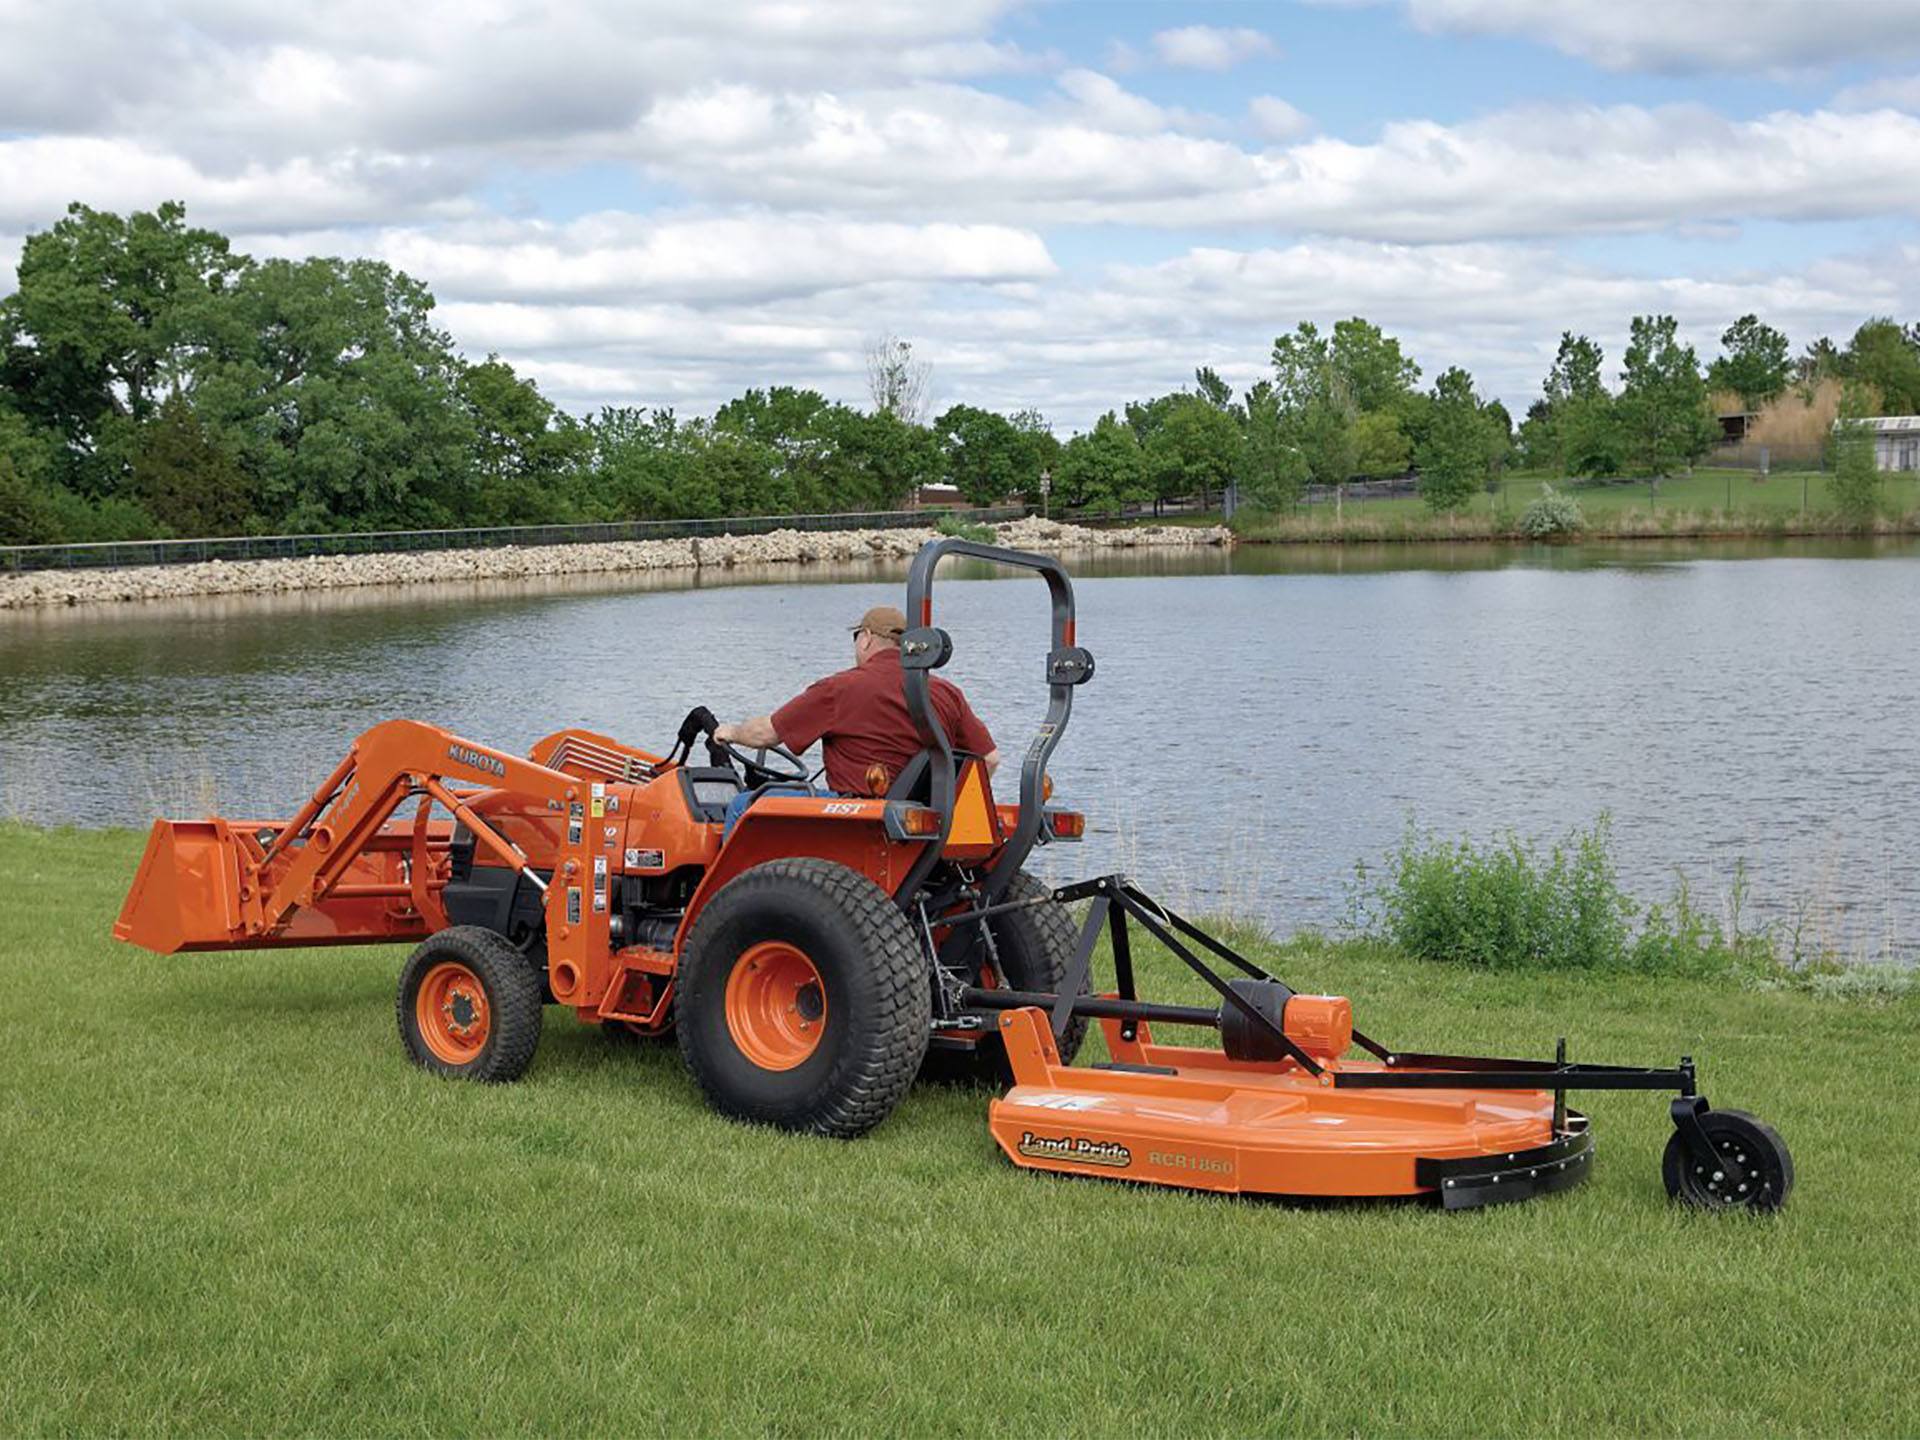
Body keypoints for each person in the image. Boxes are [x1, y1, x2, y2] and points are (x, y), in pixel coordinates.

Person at [714, 604, 999, 808]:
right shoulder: (946, 692)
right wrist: (945, 806)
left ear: (866, 638)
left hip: (858, 815)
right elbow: (989, 759)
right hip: (927, 820)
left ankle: (728, 893)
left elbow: (766, 734)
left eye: (856, 638)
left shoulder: (840, 689)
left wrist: (730, 732)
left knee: (743, 805)